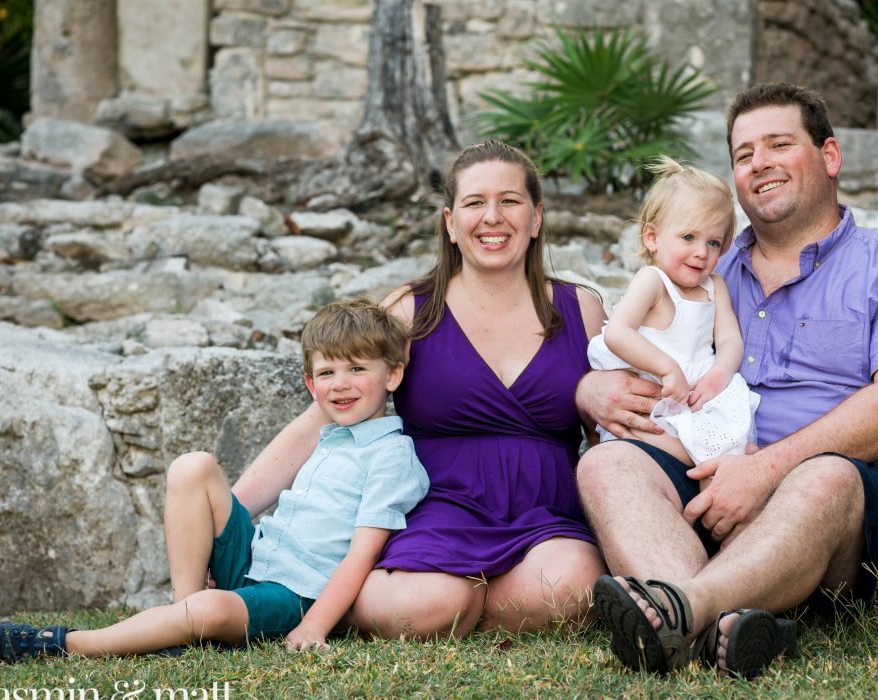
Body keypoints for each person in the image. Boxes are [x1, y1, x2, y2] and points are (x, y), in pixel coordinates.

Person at [576, 82, 878, 679]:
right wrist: (590, 391)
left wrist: (764, 471)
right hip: (711, 484)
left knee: (822, 477)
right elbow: (637, 349)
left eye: (779, 144)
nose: (759, 163)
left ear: (829, 156)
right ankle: (732, 628)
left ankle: (687, 607)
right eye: (742, 154)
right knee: (605, 466)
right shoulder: (702, 269)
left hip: (853, 509)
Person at [231, 139, 608, 639]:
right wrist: (232, 520)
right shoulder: (411, 310)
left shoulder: (581, 308)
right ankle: (439, 603)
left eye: (510, 201)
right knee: (419, 603)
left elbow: (606, 436)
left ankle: (458, 608)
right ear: (451, 223)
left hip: (545, 514)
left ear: (536, 218)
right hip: (435, 509)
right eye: (475, 203)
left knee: (573, 586)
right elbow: (328, 412)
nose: (492, 217)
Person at [0, 298, 429, 662]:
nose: (341, 384)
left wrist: (313, 624)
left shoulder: (390, 455)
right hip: (255, 556)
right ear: (310, 385)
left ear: (391, 374)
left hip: (294, 593)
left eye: (357, 369)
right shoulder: (331, 436)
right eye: (327, 373)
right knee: (191, 467)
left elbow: (361, 554)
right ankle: (183, 616)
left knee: (212, 609)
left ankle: (65, 642)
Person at [586, 156, 760, 480]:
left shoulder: (715, 286)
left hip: (697, 391)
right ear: (652, 237)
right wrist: (667, 368)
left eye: (713, 243)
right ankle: (720, 462)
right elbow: (618, 332)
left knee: (729, 432)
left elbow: (729, 339)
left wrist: (719, 374)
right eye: (688, 238)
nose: (701, 252)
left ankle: (725, 471)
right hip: (657, 390)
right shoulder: (653, 281)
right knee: (648, 437)